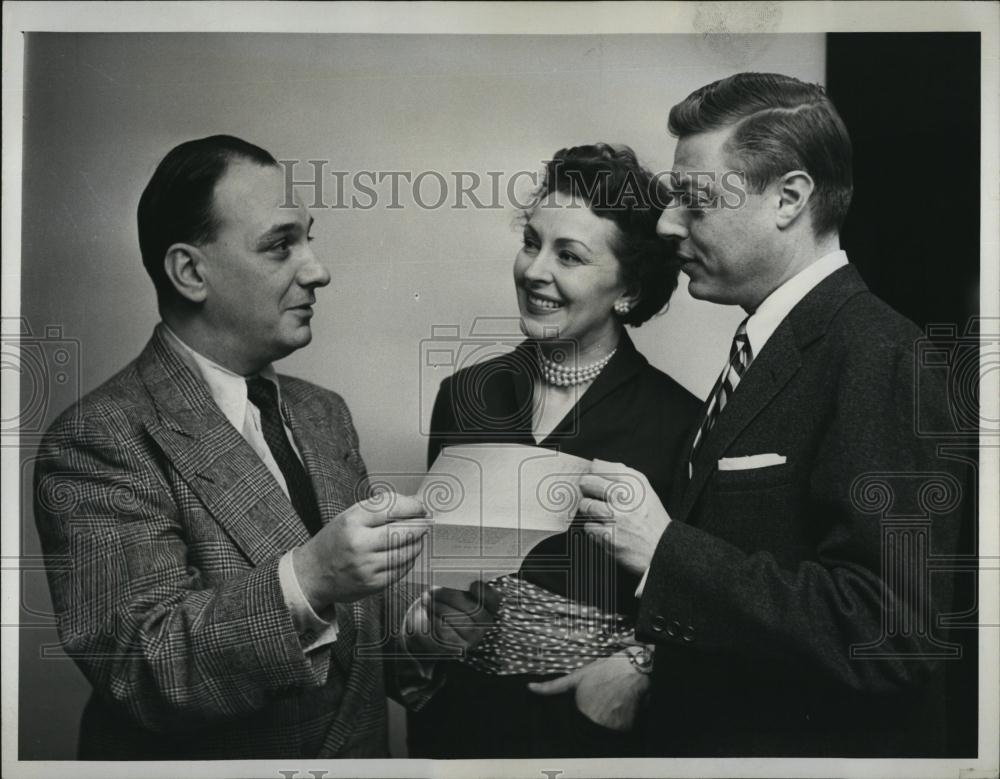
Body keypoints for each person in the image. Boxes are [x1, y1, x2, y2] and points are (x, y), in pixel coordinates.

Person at [32, 135, 493, 759]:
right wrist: (309, 577)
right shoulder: (99, 438)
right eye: (281, 246)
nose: (318, 270)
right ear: (191, 272)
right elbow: (144, 669)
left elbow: (351, 641)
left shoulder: (321, 413)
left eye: (309, 237)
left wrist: (420, 634)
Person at [578, 73, 970, 756]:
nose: (668, 224)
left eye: (695, 201)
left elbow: (894, 630)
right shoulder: (774, 346)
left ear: (789, 198)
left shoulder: (884, 354)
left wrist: (665, 549)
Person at [408, 144, 700, 758]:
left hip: (589, 729)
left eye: (569, 255)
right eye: (531, 242)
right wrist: (429, 625)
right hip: (459, 727)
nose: (535, 271)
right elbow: (435, 577)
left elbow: (697, 604)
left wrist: (642, 667)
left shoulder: (681, 423)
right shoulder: (465, 395)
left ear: (629, 288)